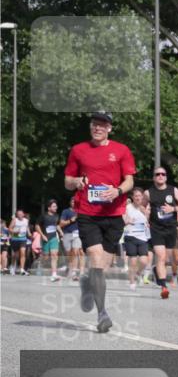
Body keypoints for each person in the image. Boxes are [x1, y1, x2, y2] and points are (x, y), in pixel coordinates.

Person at [63, 111, 135, 333]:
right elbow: (67, 182)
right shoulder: (78, 150)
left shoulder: (121, 150)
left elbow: (130, 180)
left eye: (102, 125)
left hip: (114, 214)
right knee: (95, 259)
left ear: (109, 128)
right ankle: (102, 314)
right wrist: (76, 182)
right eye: (95, 124)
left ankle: (87, 283)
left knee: (102, 267)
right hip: (88, 214)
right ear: (91, 126)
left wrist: (118, 191)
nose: (98, 128)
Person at [146, 166, 178, 297]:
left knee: (166, 259)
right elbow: (142, 206)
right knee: (161, 256)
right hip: (156, 228)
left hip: (170, 228)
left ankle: (156, 270)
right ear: (153, 177)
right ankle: (164, 287)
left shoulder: (173, 190)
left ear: (166, 177)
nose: (160, 176)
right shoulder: (148, 193)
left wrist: (173, 209)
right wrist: (146, 217)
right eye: (157, 174)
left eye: (163, 174)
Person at [123, 189, 151, 291]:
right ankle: (132, 282)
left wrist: (147, 222)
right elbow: (122, 219)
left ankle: (138, 274)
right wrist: (127, 221)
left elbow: (147, 221)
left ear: (142, 198)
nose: (138, 198)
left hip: (142, 237)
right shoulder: (127, 207)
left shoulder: (144, 209)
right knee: (133, 261)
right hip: (130, 236)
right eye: (136, 196)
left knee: (144, 261)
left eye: (140, 196)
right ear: (133, 197)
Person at [38, 199, 62, 281]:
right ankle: (40, 264)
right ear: (49, 208)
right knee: (46, 257)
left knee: (54, 255)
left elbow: (57, 225)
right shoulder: (43, 216)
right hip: (46, 238)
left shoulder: (57, 216)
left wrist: (61, 231)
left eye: (56, 206)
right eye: (54, 206)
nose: (56, 207)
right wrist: (42, 235)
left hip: (54, 238)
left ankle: (54, 274)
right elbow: (37, 226)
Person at [59, 197, 83, 280]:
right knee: (69, 253)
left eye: (75, 202)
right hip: (67, 234)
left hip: (77, 235)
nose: (74, 203)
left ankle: (74, 273)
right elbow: (61, 224)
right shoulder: (66, 212)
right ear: (70, 202)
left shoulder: (80, 211)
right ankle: (69, 268)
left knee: (75, 252)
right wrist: (71, 220)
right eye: (72, 201)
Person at [9, 210, 29, 275]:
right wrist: (14, 232)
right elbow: (9, 228)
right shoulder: (15, 220)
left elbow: (26, 227)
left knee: (23, 252)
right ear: (17, 215)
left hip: (23, 238)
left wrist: (29, 233)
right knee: (15, 255)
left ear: (23, 214)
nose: (20, 215)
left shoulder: (26, 220)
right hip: (15, 239)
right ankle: (12, 267)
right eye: (18, 214)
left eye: (21, 214)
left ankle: (22, 269)